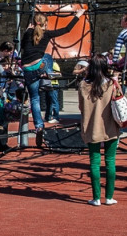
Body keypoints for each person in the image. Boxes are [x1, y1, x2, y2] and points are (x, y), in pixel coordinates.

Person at [19, 8, 85, 145]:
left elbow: (24, 44)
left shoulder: (27, 33)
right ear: (45, 24)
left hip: (27, 69)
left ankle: (38, 126)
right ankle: (47, 78)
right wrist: (78, 15)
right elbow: (67, 29)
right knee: (47, 56)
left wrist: (28, 27)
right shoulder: (47, 34)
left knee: (35, 99)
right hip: (40, 66)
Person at [77, 53, 122, 206]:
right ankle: (109, 196)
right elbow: (120, 100)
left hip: (92, 126)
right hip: (110, 125)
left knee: (94, 162)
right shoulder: (111, 83)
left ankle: (96, 197)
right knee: (110, 161)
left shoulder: (84, 84)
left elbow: (81, 107)